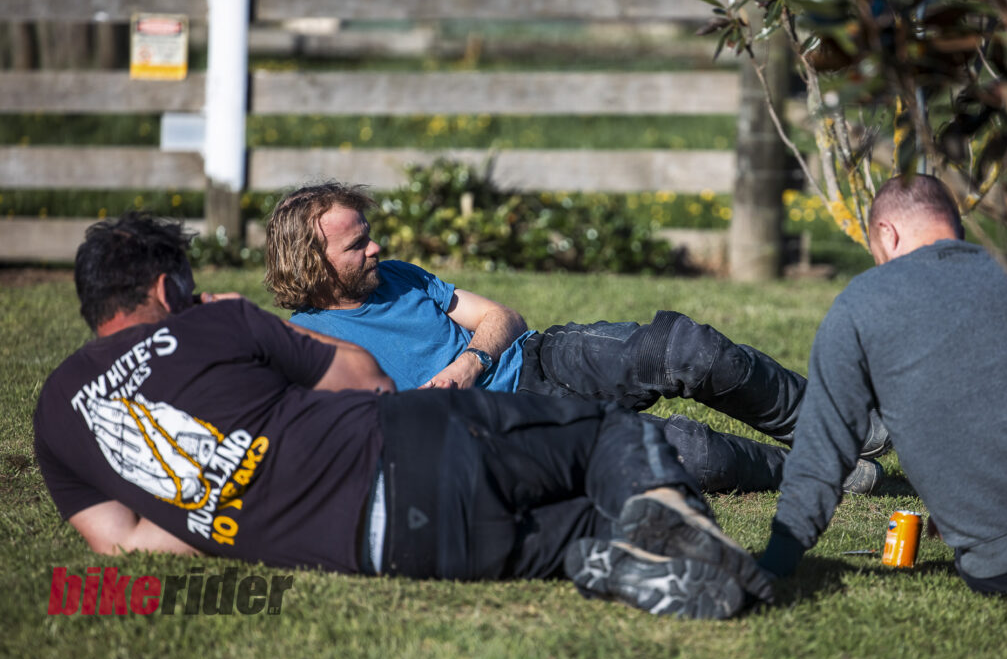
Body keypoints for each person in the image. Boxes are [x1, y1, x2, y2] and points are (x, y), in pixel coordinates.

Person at [33, 212, 779, 620]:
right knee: (621, 435)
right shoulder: (217, 322)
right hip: (409, 451)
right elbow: (366, 380)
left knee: (578, 524)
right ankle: (672, 517)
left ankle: (620, 561)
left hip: (380, 547)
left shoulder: (55, 412)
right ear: (168, 290)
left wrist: (231, 503)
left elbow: (124, 542)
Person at [262, 183, 890, 496]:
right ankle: (822, 470)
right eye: (357, 244)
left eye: (370, 232)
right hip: (525, 431)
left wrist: (473, 360)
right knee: (692, 454)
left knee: (688, 349)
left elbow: (500, 315)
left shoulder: (399, 277)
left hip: (541, 357)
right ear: (313, 262)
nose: (377, 247)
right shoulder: (310, 347)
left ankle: (837, 425)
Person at [757, 174, 1007, 602]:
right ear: (953, 226)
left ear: (886, 234)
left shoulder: (860, 305)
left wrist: (775, 562)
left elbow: (821, 455)